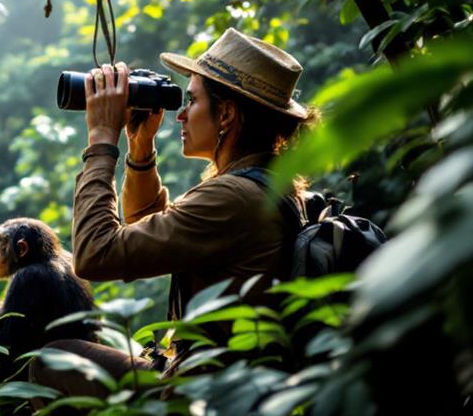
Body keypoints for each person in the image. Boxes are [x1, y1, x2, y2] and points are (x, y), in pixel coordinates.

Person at [31, 28, 318, 394]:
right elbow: (145, 231)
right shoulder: (263, 184)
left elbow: (95, 254)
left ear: (227, 114)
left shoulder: (234, 197)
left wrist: (102, 138)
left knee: (53, 359)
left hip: (204, 392)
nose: (180, 115)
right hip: (230, 380)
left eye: (192, 101)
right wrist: (140, 147)